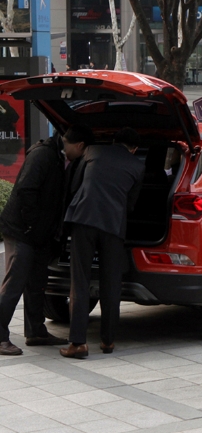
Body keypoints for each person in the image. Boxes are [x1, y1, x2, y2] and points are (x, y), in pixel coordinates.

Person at [0, 126, 93, 356]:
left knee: (37, 283)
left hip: (39, 234)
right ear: (81, 146)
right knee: (14, 284)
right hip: (22, 230)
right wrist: (32, 225)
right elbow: (26, 190)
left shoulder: (59, 157)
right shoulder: (43, 154)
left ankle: (36, 331)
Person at [60, 128, 145, 359]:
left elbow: (74, 186)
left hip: (83, 220)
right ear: (134, 149)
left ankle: (78, 344)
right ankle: (108, 341)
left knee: (80, 281)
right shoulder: (138, 166)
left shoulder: (92, 151)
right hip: (114, 226)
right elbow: (130, 205)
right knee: (111, 283)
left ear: (114, 140)